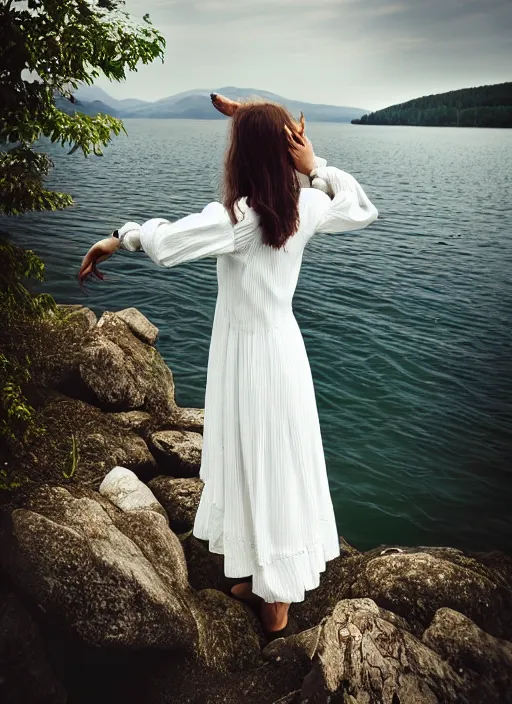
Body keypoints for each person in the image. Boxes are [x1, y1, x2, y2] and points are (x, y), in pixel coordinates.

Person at [78, 96, 378, 640]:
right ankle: (270, 578)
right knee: (272, 459)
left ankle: (276, 599)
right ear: (286, 152)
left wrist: (119, 235)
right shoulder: (303, 206)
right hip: (281, 350)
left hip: (248, 357)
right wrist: (314, 164)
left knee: (255, 460)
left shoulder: (239, 218)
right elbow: (359, 206)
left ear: (242, 156)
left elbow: (166, 245)